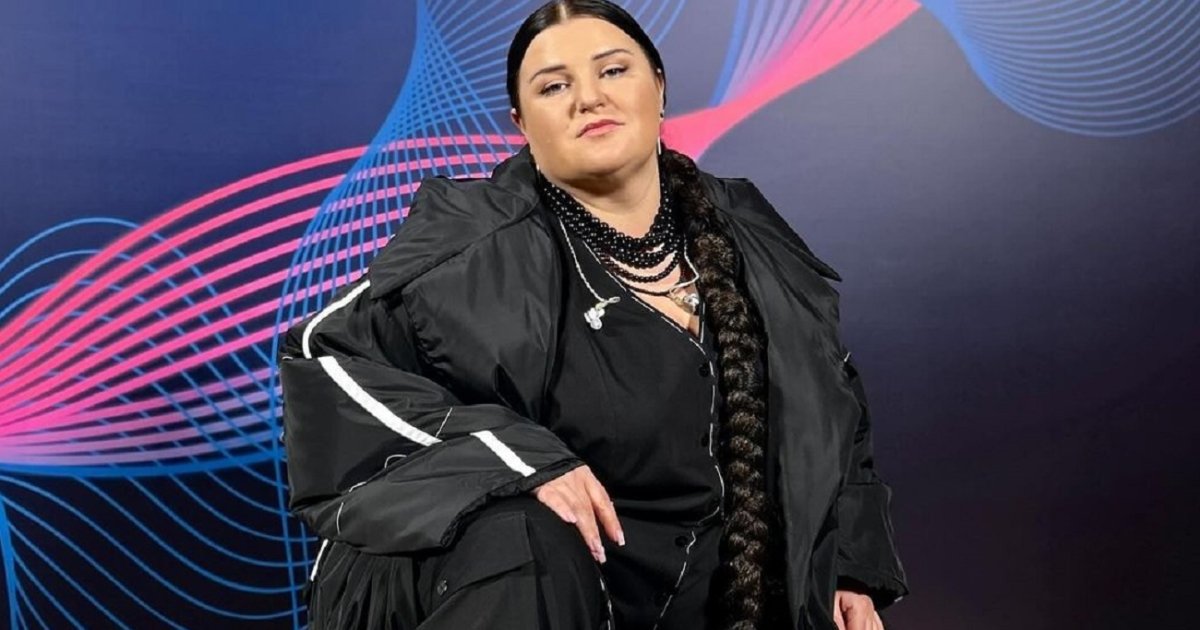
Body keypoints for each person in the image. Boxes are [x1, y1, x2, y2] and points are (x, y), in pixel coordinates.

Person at [277, 1, 909, 628]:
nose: (588, 98)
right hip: (508, 589)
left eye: (612, 71)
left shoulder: (747, 235)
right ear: (522, 123)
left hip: (697, 601)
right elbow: (323, 360)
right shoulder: (470, 246)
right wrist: (515, 460)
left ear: (658, 88)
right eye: (554, 87)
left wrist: (847, 565)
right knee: (525, 531)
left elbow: (832, 400)